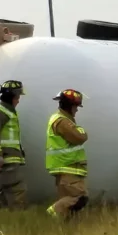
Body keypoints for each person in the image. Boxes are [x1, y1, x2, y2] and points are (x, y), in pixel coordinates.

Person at [45, 88, 89, 219]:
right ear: (69, 106)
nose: (77, 110)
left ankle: (63, 226)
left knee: (69, 204)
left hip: (66, 167)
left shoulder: (60, 119)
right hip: (68, 166)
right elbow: (79, 137)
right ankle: (53, 211)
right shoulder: (62, 121)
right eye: (76, 106)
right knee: (80, 197)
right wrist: (81, 130)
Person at [0, 80, 27, 209]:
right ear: (11, 97)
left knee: (4, 194)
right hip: (6, 159)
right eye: (17, 97)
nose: (18, 100)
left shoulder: (9, 112)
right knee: (18, 190)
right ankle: (18, 219)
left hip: (11, 158)